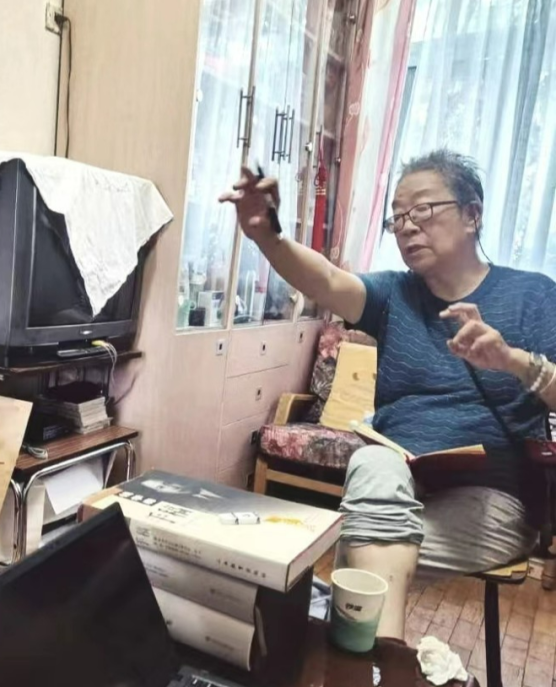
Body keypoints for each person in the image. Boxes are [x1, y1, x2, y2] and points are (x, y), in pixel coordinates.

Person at [220, 150, 556, 639]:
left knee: (358, 548)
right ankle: (383, 659)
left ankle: (361, 650)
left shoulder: (534, 296)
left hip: (492, 500)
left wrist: (512, 360)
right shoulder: (396, 295)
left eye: (422, 210)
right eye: (397, 217)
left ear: (472, 214)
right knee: (373, 464)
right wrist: (268, 237)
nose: (407, 227)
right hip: (394, 484)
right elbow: (328, 280)